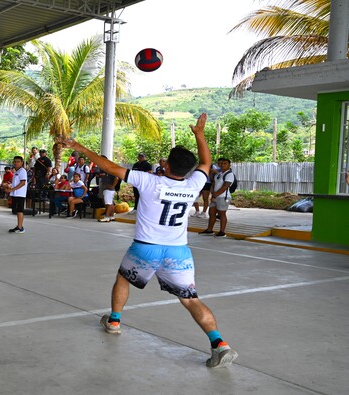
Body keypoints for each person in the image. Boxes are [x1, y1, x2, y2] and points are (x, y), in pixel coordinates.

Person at [60, 113, 238, 369]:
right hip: (178, 251)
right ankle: (219, 344)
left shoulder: (148, 180)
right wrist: (200, 134)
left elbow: (108, 166)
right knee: (191, 299)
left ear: (166, 166)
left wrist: (78, 147)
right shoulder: (194, 183)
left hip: (146, 248)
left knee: (123, 279)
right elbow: (206, 162)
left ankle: (114, 321)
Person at [199, 158, 235, 238]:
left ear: (229, 165)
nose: (222, 165)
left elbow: (225, 186)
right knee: (211, 213)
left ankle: (222, 232)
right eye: (221, 163)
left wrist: (215, 195)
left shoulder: (229, 174)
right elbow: (213, 183)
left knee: (222, 214)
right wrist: (212, 193)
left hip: (223, 197)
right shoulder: (219, 174)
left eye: (225, 163)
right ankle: (209, 230)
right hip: (215, 196)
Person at [5, 156, 27, 233]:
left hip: (20, 194)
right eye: (15, 161)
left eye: (18, 161)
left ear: (22, 163)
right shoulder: (16, 172)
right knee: (16, 210)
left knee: (20, 210)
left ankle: (20, 228)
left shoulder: (22, 171)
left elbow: (23, 183)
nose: (16, 163)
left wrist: (12, 189)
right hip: (15, 194)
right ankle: (19, 226)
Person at [97, 157, 120, 222]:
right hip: (107, 188)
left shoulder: (109, 169)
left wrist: (113, 185)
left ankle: (106, 217)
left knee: (108, 203)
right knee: (110, 202)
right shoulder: (105, 169)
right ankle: (112, 216)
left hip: (109, 188)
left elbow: (116, 178)